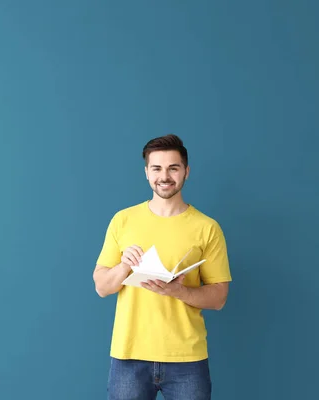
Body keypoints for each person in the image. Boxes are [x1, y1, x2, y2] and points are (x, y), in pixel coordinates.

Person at [93, 134, 232, 400]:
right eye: (156, 168)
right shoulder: (123, 220)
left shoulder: (207, 227)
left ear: (186, 172)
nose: (164, 176)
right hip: (129, 357)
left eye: (173, 168)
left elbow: (219, 298)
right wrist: (124, 267)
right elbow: (101, 287)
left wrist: (179, 292)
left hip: (187, 359)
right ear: (146, 172)